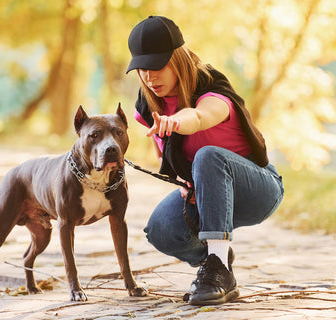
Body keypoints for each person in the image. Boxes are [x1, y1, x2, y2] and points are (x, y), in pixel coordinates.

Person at [126, 16, 285, 306]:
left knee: (208, 155)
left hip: (258, 189)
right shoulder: (148, 104)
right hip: (207, 194)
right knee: (161, 228)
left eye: (158, 66)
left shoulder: (211, 87)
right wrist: (186, 184)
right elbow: (167, 154)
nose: (149, 77)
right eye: (142, 69)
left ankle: (216, 263)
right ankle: (218, 262)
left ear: (177, 59)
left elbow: (198, 118)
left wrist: (175, 121)